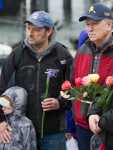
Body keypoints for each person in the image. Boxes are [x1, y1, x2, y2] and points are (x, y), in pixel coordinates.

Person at [0, 11, 73, 150]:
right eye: (28, 28)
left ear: (49, 31)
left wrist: (60, 102)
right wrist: (1, 121)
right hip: (20, 131)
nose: (30, 33)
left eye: (37, 29)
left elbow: (73, 88)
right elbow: (1, 90)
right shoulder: (17, 54)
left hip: (53, 131)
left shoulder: (62, 55)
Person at [71, 3, 113, 150]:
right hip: (82, 126)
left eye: (95, 23)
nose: (90, 28)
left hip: (108, 126)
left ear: (109, 25)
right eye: (87, 24)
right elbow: (74, 83)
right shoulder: (82, 49)